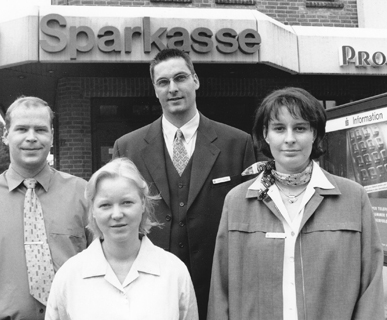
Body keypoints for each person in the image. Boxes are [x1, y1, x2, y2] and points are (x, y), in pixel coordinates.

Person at [208, 87, 385, 320]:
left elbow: (371, 290)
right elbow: (220, 292)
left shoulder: (353, 197)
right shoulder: (238, 201)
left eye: (300, 128)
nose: (289, 139)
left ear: (315, 134)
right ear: (266, 135)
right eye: (279, 128)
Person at [112, 48, 256, 319]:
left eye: (180, 78)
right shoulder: (127, 148)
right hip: (148, 291)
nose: (173, 88)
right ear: (155, 89)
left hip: (217, 290)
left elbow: (252, 222)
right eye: (163, 82)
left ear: (196, 80)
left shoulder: (237, 143)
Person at [0, 97, 89, 319]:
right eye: (21, 129)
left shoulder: (84, 195)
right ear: (5, 136)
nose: (31, 138)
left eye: (40, 129)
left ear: (51, 137)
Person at [46, 157, 198, 320]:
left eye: (127, 202)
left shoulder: (174, 271)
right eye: (105, 205)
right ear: (93, 211)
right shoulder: (69, 276)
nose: (117, 214)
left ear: (143, 204)